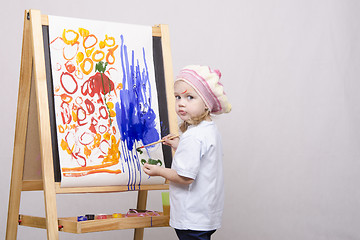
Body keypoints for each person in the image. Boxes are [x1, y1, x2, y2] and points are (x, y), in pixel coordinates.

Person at [143, 65, 231, 240]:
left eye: (190, 97)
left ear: (206, 103)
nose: (181, 102)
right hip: (205, 215)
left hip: (191, 216)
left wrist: (158, 171)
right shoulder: (209, 130)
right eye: (178, 97)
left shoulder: (193, 136)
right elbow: (202, 156)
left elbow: (185, 177)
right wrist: (179, 145)